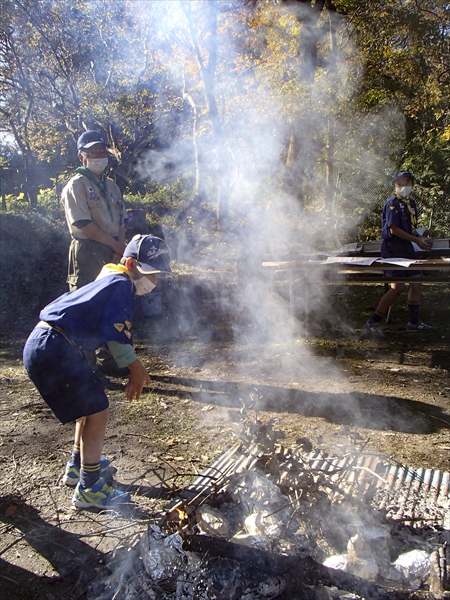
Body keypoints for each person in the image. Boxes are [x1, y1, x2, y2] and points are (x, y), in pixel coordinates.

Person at [23, 235, 172, 509]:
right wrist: (135, 369)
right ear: (129, 263)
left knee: (91, 402)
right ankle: (89, 488)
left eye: (158, 276)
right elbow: (116, 334)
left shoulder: (108, 279)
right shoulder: (120, 285)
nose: (153, 282)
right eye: (149, 273)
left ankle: (78, 465)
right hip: (54, 347)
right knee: (99, 408)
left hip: (48, 343)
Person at [365, 170, 435, 338]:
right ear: (394, 186)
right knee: (397, 288)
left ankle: (414, 322)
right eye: (400, 184)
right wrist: (416, 241)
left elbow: (409, 229)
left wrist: (421, 239)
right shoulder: (392, 204)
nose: (404, 187)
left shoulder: (411, 204)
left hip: (407, 247)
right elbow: (394, 229)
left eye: (408, 183)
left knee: (416, 283)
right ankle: (373, 322)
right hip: (393, 248)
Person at [63, 130, 127, 291]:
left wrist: (119, 248)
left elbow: (123, 220)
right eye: (92, 153)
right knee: (85, 301)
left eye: (102, 153)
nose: (99, 158)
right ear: (81, 156)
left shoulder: (112, 186)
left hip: (114, 249)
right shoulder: (77, 185)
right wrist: (116, 245)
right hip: (88, 251)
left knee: (111, 299)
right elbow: (83, 223)